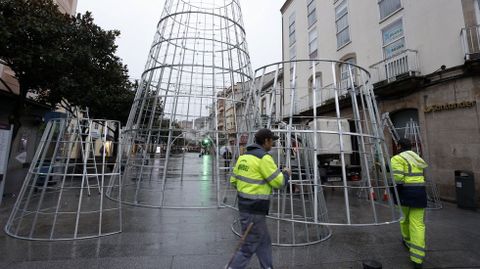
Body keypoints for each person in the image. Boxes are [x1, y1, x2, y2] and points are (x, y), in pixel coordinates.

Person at [227, 129, 290, 269]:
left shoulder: (244, 157)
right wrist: (286, 174)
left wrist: (248, 188)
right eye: (272, 140)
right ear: (266, 141)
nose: (273, 143)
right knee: (247, 247)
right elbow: (279, 183)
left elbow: (233, 181)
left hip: (245, 206)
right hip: (255, 209)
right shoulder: (264, 158)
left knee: (264, 241)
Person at [391, 138, 428, 269]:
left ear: (399, 146)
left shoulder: (397, 158)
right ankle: (417, 258)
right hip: (420, 193)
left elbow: (398, 178)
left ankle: (407, 240)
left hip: (405, 194)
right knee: (418, 224)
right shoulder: (417, 158)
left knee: (404, 219)